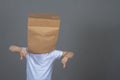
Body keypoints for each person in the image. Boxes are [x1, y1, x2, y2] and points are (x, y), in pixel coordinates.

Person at [9, 45, 74, 80]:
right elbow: (11, 48)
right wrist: (20, 49)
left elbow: (70, 53)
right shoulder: (29, 51)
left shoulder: (52, 53)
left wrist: (66, 57)